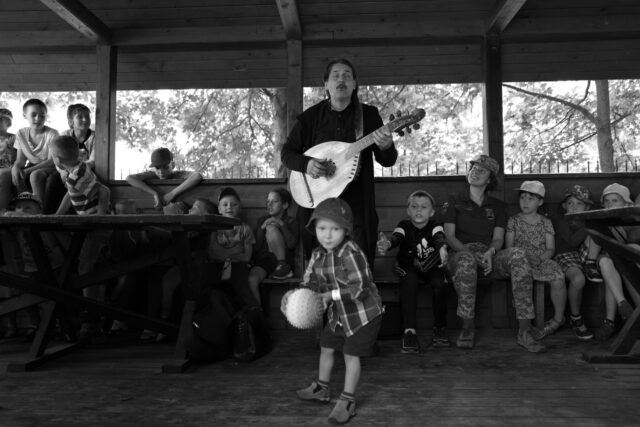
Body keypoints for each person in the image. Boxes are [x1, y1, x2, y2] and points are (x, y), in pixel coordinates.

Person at [281, 58, 397, 266]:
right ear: (326, 84)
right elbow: (287, 153)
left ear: (354, 84)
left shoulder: (369, 116)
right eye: (335, 76)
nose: (341, 80)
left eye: (347, 76)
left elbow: (387, 161)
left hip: (357, 209)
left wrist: (386, 146)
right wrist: (306, 164)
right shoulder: (311, 118)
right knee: (320, 271)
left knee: (358, 267)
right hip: (319, 207)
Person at [282, 198, 382, 424]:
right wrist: (295, 296)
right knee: (326, 347)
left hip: (363, 316)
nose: (327, 235)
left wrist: (330, 296)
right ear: (315, 229)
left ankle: (348, 401)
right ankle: (321, 389)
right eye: (322, 228)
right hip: (339, 316)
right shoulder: (317, 254)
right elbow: (310, 283)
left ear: (346, 230)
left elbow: (361, 289)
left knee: (350, 354)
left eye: (335, 229)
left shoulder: (351, 252)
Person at [442, 154, 545, 353]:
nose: (475, 172)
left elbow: (498, 238)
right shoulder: (455, 200)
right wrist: (470, 255)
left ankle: (525, 331)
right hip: (460, 254)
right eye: (473, 168)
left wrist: (490, 252)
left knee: (517, 255)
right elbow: (450, 237)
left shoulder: (497, 206)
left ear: (490, 179)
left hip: (489, 256)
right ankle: (467, 327)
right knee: (465, 261)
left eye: (482, 170)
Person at [50, 135, 111, 338]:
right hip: (87, 225)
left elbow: (104, 191)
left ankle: (90, 316)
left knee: (85, 267)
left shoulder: (78, 175)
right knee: (83, 264)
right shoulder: (73, 173)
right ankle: (92, 310)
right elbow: (70, 192)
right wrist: (57, 215)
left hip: (96, 227)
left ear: (57, 158)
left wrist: (100, 217)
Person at [377, 190, 450, 353]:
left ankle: (440, 327)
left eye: (424, 207)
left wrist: (443, 249)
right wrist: (387, 244)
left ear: (431, 212)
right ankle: (409, 330)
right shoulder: (404, 225)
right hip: (409, 265)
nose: (419, 210)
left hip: (431, 265)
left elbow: (439, 237)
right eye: (414, 206)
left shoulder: (435, 225)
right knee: (409, 281)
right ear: (408, 210)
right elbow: (396, 237)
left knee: (440, 283)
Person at [505, 181, 566, 340]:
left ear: (540, 202)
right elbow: (509, 247)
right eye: (523, 197)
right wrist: (523, 260)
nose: (525, 202)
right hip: (519, 261)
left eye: (531, 198)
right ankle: (525, 326)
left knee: (558, 277)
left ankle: (558, 319)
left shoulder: (546, 222)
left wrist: (540, 259)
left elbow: (550, 248)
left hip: (540, 259)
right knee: (520, 272)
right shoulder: (514, 220)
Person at [0, 192, 64, 339]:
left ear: (39, 210)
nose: (22, 211)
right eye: (19, 207)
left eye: (28, 207)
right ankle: (36, 324)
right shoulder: (17, 228)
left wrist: (14, 215)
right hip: (30, 267)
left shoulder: (42, 221)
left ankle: (58, 325)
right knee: (28, 296)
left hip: (53, 265)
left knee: (54, 296)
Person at [550, 185, 598, 340]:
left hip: (585, 254)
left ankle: (592, 265)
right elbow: (571, 242)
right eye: (570, 203)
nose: (574, 207)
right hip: (566, 254)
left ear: (587, 206)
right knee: (578, 279)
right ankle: (576, 317)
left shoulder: (587, 220)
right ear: (564, 206)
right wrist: (589, 225)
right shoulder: (561, 220)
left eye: (579, 204)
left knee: (597, 233)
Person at [592, 183, 636, 341]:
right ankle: (622, 303)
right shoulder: (601, 222)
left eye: (615, 200)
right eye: (607, 201)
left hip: (631, 265)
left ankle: (610, 321)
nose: (610, 204)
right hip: (612, 261)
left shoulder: (634, 221)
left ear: (627, 204)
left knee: (625, 258)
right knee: (605, 262)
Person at [206, 187, 257, 310]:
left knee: (241, 286)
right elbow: (212, 254)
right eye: (225, 204)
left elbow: (246, 257)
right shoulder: (214, 229)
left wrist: (223, 254)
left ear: (239, 208)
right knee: (210, 287)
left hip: (238, 266)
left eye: (234, 204)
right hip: (217, 266)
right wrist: (234, 253)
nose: (229, 207)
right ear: (219, 209)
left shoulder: (245, 229)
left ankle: (253, 311)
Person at [248, 188, 299, 304]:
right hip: (265, 261)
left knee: (271, 227)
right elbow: (255, 248)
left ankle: (282, 265)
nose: (269, 204)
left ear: (285, 205)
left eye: (274, 201)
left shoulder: (291, 221)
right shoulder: (262, 220)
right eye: (268, 201)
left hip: (284, 262)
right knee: (252, 279)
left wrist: (282, 225)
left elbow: (291, 245)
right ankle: (257, 313)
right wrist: (262, 228)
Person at [11, 99, 59, 211]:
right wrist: (16, 167)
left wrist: (28, 170)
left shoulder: (52, 134)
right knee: (17, 174)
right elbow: (20, 159)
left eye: (42, 115)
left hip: (52, 167)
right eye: (33, 115)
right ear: (25, 115)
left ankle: (39, 209)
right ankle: (25, 208)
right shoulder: (21, 133)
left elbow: (51, 161)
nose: (38, 118)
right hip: (33, 165)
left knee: (34, 174)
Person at [125, 147, 203, 210]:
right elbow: (130, 178)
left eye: (165, 167)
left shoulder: (178, 174)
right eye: (157, 168)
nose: (161, 172)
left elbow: (197, 176)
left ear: (172, 165)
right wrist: (154, 193)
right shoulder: (151, 175)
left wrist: (172, 194)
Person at [61, 104, 95, 169]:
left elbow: (92, 161)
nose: (85, 119)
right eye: (80, 117)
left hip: (88, 172)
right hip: (66, 170)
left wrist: (75, 169)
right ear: (71, 121)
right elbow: (60, 159)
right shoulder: (64, 136)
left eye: (87, 116)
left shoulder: (94, 137)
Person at [0, 108, 16, 210]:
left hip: (8, 167)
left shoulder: (13, 138)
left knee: (4, 175)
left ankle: (3, 211)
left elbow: (19, 157)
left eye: (3, 119)